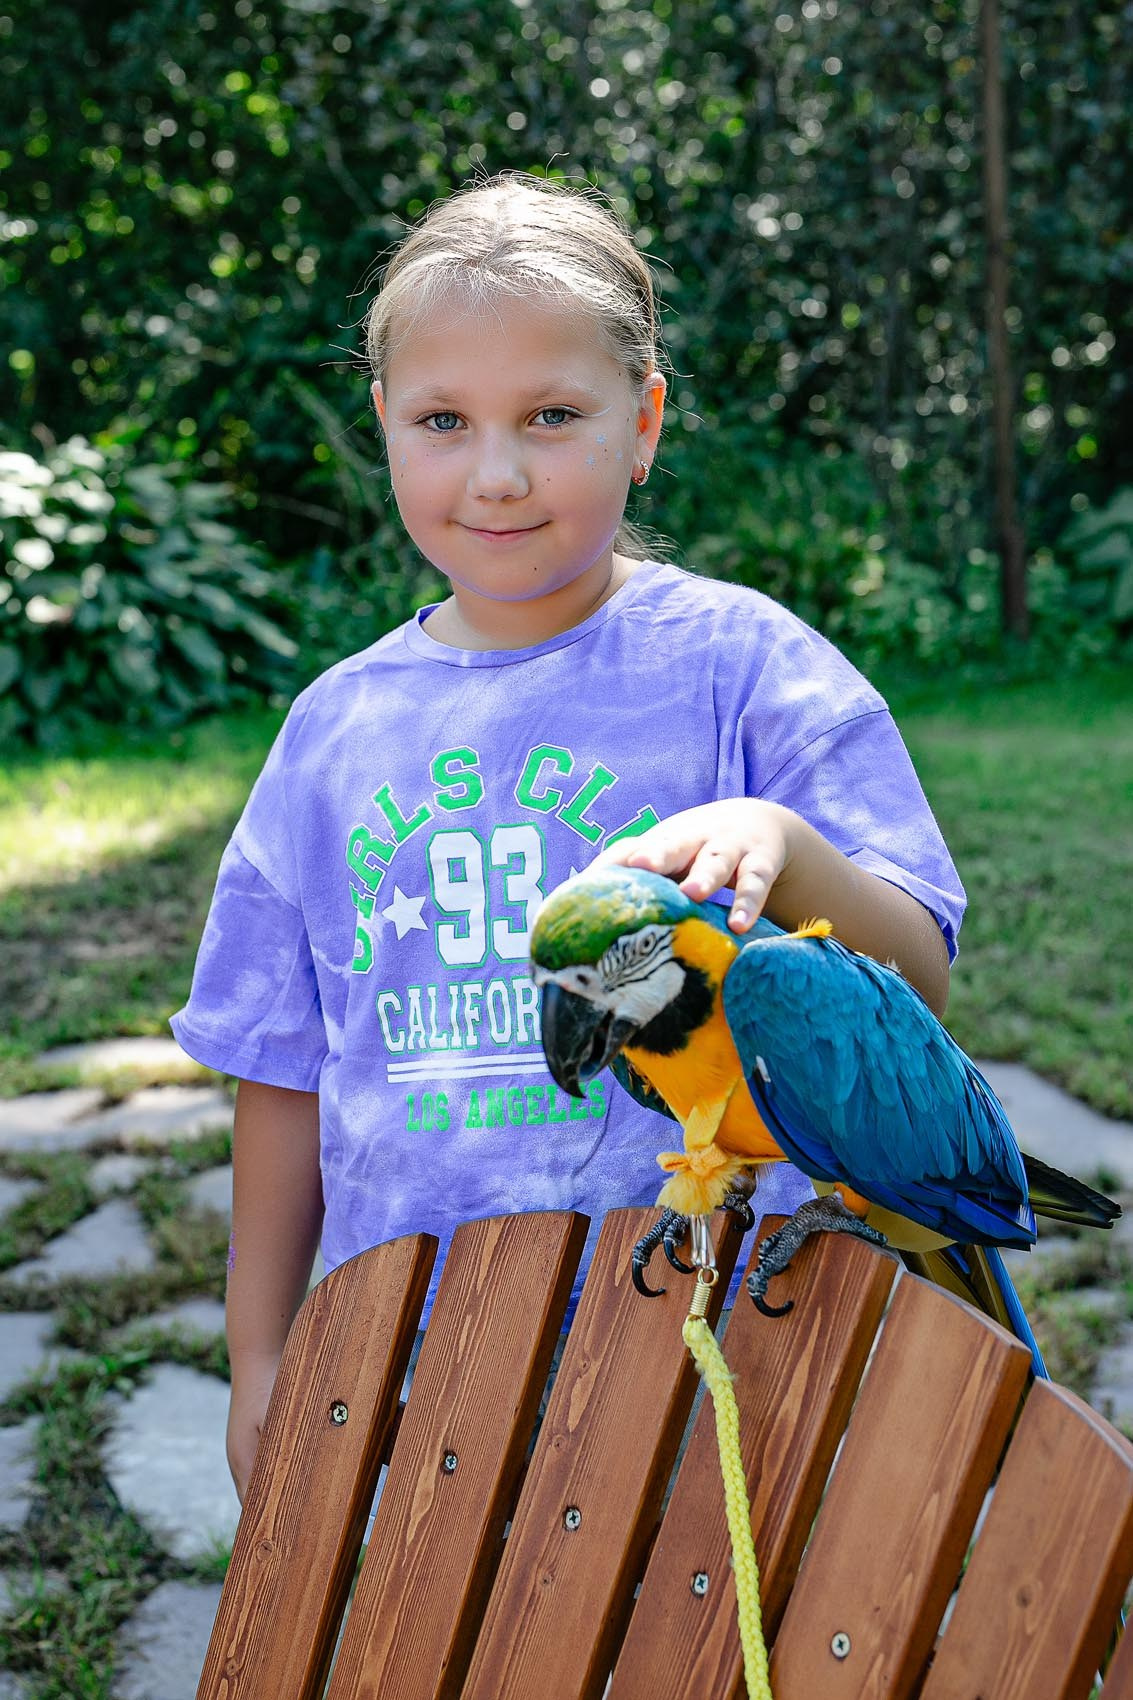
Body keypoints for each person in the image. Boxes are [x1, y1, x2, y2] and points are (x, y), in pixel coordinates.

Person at [171, 173, 964, 1500]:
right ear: (384, 425)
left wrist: (784, 842)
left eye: (552, 416)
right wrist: (261, 1357)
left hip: (719, 1344)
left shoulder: (743, 670)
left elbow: (917, 989)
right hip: (421, 1354)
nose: (495, 471)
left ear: (642, 422)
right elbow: (282, 1070)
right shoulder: (331, 733)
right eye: (442, 419)